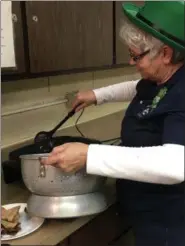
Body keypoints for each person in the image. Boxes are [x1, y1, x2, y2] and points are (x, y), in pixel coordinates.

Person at [41, 1, 185, 245]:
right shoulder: (162, 77)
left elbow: (174, 164)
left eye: (135, 55)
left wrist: (89, 155)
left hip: (170, 225)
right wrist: (97, 95)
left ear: (165, 53)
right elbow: (137, 88)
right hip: (146, 210)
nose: (131, 62)